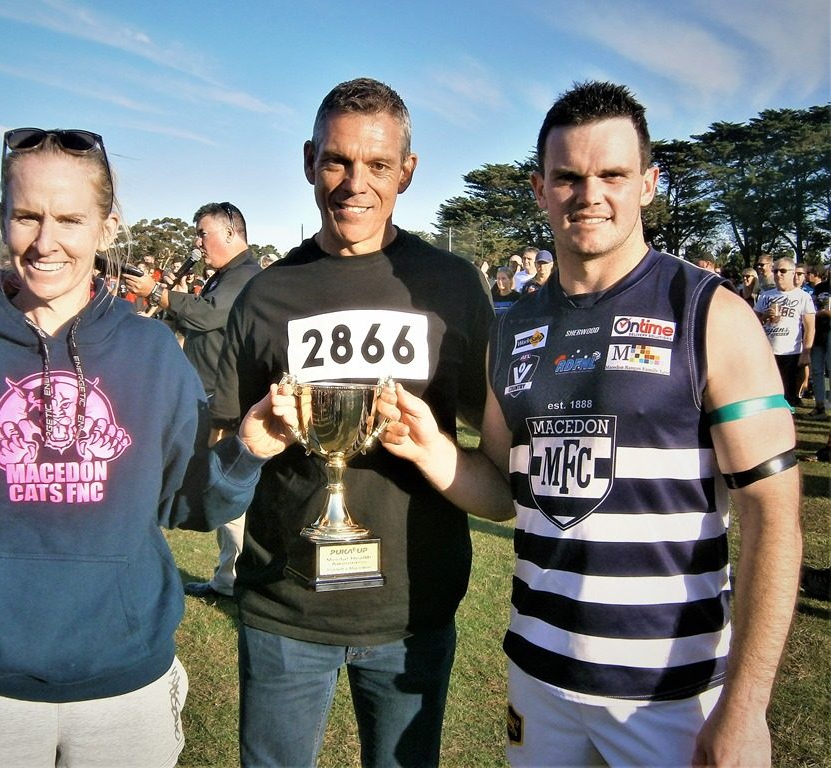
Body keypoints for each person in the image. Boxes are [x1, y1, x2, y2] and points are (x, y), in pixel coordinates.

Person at [377, 81, 801, 767]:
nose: (589, 195)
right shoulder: (514, 328)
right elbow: (503, 492)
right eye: (568, 177)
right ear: (540, 189)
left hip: (667, 693)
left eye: (613, 175)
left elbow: (773, 516)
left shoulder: (711, 313)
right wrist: (433, 451)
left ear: (649, 184)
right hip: (539, 676)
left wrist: (747, 707)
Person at [0, 127, 297, 768]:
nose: (45, 241)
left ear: (107, 229)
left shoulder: (150, 352)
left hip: (126, 684)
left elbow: (188, 505)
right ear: (2, 218)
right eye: (27, 216)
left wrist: (246, 451)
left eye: (69, 219)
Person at [211, 77, 491, 767]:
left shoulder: (452, 286)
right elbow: (219, 454)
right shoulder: (265, 294)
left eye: (378, 165)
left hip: (411, 612)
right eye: (336, 160)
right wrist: (251, 442)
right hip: (285, 607)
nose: (354, 183)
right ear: (310, 161)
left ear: (407, 171)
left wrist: (436, 450)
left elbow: (497, 447)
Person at [125, 201, 262, 599]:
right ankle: (227, 578)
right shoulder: (224, 276)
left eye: (203, 234)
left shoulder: (246, 276)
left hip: (224, 401)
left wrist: (158, 293)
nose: (198, 243)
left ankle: (236, 579)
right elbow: (191, 319)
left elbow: (206, 315)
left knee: (226, 487)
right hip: (206, 394)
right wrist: (169, 299)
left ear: (230, 234)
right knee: (216, 484)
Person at [755, 257, 815, 408]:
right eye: (775, 271)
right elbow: (753, 322)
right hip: (768, 351)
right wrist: (764, 316)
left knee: (787, 395)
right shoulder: (766, 295)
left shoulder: (803, 297)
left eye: (782, 271)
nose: (778, 274)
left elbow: (810, 327)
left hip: (790, 352)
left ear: (793, 273)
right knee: (767, 392)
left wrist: (806, 352)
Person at [809, 266, 830, 418]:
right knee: (816, 370)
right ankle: (820, 406)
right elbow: (812, 306)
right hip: (818, 331)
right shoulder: (820, 287)